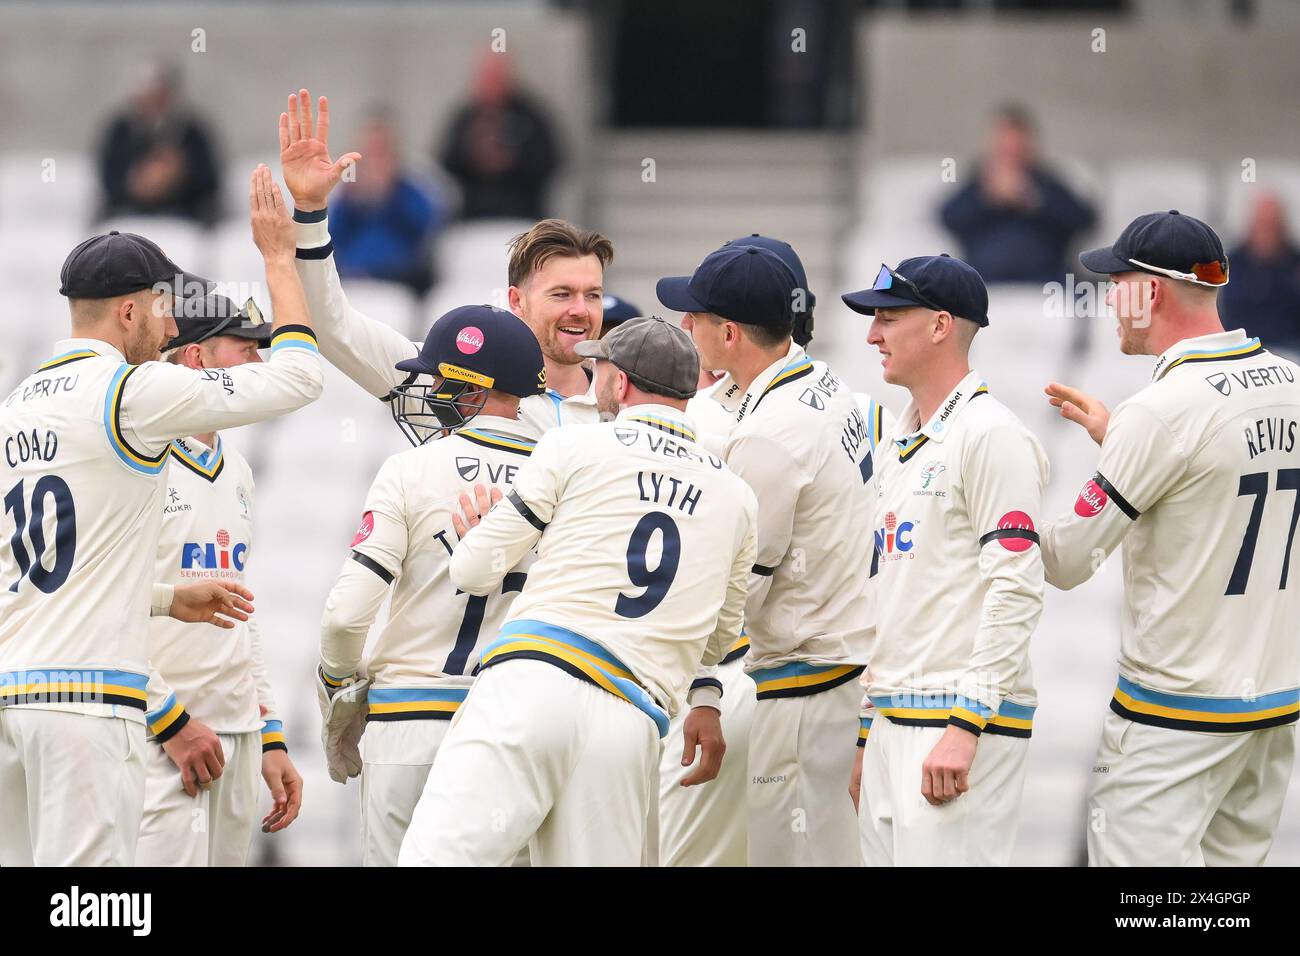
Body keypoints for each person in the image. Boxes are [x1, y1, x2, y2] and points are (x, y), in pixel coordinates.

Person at [0, 166, 323, 866]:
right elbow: (301, 376)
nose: (171, 323)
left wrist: (166, 598)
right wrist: (278, 258)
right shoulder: (130, 390)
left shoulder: (17, 404)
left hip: (15, 698)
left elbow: (36, 570)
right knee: (98, 909)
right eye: (161, 306)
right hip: (87, 703)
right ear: (128, 312)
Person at [398, 317, 758, 866]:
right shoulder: (737, 496)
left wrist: (492, 539)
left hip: (532, 684)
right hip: (632, 716)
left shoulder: (573, 445)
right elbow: (717, 645)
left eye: (602, 368)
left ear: (620, 384)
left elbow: (471, 573)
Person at [1040, 210, 1300, 866]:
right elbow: (1219, 478)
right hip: (1271, 712)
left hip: (1173, 720)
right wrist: (1124, 449)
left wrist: (996, 517)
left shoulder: (1157, 413)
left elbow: (1066, 560)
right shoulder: (1293, 385)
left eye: (1117, 282)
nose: (1108, 298)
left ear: (1150, 292)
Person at [657, 242, 885, 867]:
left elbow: (739, 588)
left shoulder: (769, 435)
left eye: (697, 316)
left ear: (729, 332)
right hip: (839, 669)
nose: (686, 326)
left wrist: (699, 685)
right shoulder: (827, 385)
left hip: (805, 683)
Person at [317, 304, 545, 867]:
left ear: (472, 388)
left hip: (407, 726)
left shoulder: (411, 469)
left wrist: (338, 689)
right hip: (510, 728)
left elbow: (346, 617)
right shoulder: (563, 472)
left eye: (441, 378)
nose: (430, 389)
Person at [842, 254, 1048, 866]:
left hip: (955, 726)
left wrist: (966, 724)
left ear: (938, 327)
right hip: (893, 723)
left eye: (887, 317)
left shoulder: (991, 434)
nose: (872, 335)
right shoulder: (899, 445)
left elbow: (1017, 588)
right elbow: (889, 599)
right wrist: (865, 731)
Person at [280, 90, 607, 435]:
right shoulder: (456, 379)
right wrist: (312, 209)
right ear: (516, 301)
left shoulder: (624, 404)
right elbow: (335, 329)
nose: (580, 309)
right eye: (561, 294)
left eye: (593, 295)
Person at [136, 292, 304, 866]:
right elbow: (107, 606)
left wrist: (270, 731)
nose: (260, 364)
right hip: (164, 732)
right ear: (195, 360)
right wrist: (169, 721)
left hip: (235, 731)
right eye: (246, 347)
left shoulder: (237, 466)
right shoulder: (138, 461)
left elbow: (239, 608)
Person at [939, 105, 1095, 285]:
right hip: (984, 274)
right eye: (1004, 146)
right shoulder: (976, 183)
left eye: (1017, 145)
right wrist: (987, 198)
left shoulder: (1047, 181)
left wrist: (1034, 199)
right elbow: (948, 216)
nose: (1011, 151)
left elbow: (1082, 219)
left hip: (1047, 273)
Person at [329, 109, 446, 296]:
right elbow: (332, 236)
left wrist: (389, 195)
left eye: (380, 151)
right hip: (352, 277)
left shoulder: (410, 189)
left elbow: (422, 231)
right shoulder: (348, 193)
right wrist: (354, 202)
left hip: (399, 277)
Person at [438, 53, 559, 221]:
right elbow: (444, 164)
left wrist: (511, 160)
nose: (490, 84)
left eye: (496, 77)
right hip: (472, 218)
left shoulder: (531, 117)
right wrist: (473, 156)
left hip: (522, 215)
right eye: (486, 77)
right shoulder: (465, 117)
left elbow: (551, 161)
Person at [97, 61, 221, 224]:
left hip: (181, 218)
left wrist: (179, 175)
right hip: (128, 215)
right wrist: (136, 183)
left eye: (160, 93)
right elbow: (108, 179)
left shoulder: (193, 133)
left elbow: (209, 184)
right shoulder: (121, 131)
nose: (154, 99)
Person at [1219, 193, 1300, 361]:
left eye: (1271, 224)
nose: (1266, 230)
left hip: (1290, 351)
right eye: (1262, 223)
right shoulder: (1233, 263)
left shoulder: (1294, 263)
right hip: (1242, 351)